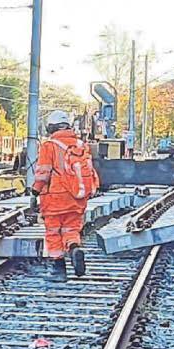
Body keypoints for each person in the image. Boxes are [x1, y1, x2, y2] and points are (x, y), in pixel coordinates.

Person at [31, 110, 100, 282]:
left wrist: (35, 191)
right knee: (71, 229)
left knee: (53, 232)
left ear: (51, 127)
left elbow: (43, 173)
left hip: (55, 198)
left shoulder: (49, 146)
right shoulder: (80, 145)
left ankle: (58, 269)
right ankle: (74, 247)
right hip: (77, 196)